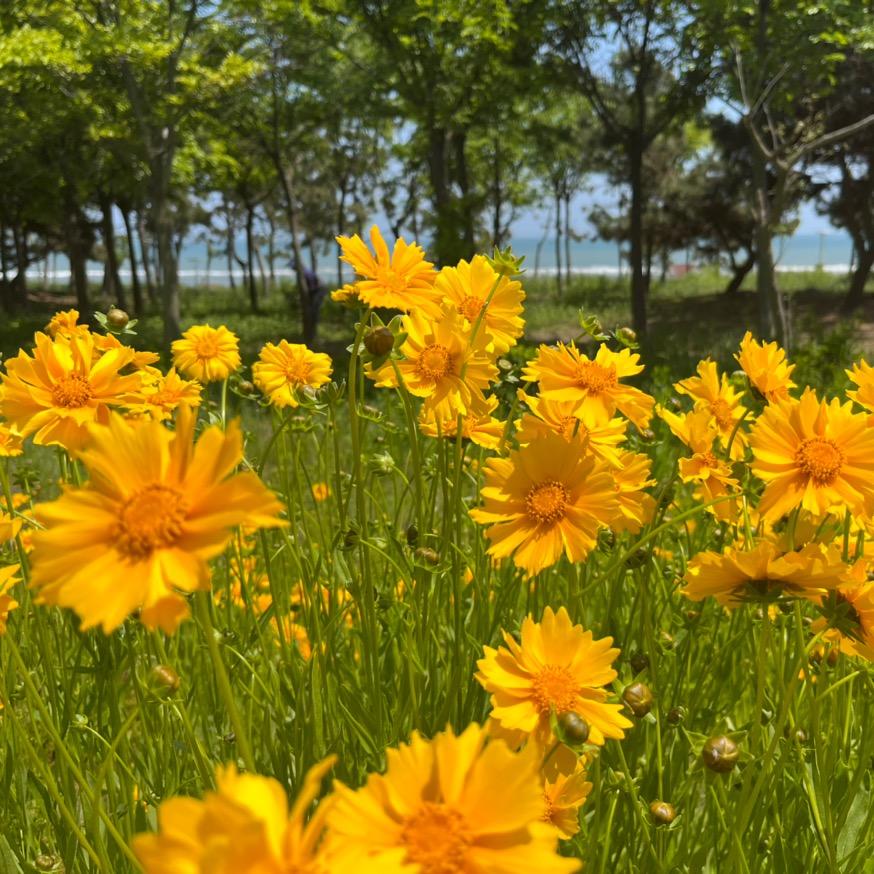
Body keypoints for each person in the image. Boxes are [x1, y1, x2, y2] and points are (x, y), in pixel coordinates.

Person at [290, 258, 326, 333]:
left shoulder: (305, 273)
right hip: (316, 290)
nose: (292, 269)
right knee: (312, 309)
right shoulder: (304, 272)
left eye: (293, 267)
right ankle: (312, 327)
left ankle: (313, 327)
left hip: (319, 290)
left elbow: (312, 287)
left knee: (314, 309)